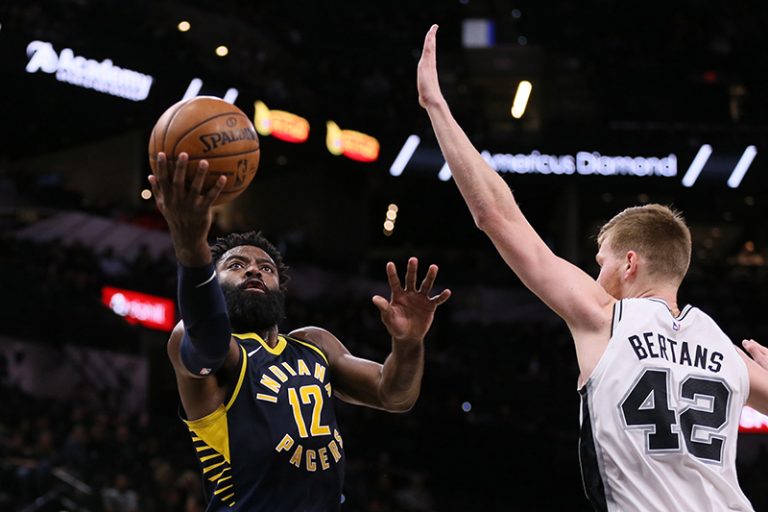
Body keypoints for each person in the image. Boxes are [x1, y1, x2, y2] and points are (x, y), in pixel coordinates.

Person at [417, 24, 768, 511]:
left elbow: (495, 216)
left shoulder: (606, 317)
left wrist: (436, 105)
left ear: (630, 262)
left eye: (600, 261)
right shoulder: (727, 351)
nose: (595, 273)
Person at [147, 152, 450, 511]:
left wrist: (408, 343)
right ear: (213, 282)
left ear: (281, 287)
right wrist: (191, 245)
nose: (254, 271)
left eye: (266, 268)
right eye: (237, 265)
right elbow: (207, 341)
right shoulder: (199, 340)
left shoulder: (315, 344)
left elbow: (395, 395)